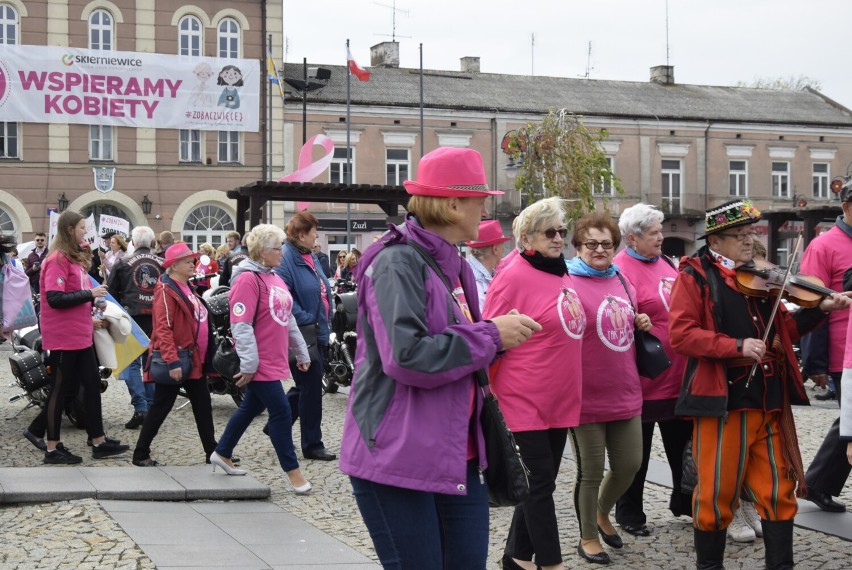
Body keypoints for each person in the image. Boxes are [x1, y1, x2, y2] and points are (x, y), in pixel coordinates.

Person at [339, 146, 541, 569]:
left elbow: (462, 348)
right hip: (397, 454)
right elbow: (407, 357)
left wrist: (499, 338)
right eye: (480, 200)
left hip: (455, 452)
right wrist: (491, 335)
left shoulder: (457, 264)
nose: (486, 209)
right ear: (453, 204)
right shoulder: (397, 262)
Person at [668, 199, 851, 569]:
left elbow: (783, 331)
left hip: (769, 398)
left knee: (778, 490)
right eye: (740, 235)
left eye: (752, 232)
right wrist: (735, 345)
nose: (750, 241)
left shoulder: (759, 278)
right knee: (717, 491)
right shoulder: (695, 275)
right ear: (716, 241)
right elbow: (681, 334)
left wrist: (820, 310)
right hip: (725, 401)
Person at [484, 197, 583, 570]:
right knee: (540, 487)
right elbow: (490, 336)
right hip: (522, 398)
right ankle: (551, 564)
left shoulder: (561, 271)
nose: (559, 238)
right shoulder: (511, 276)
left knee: (540, 482)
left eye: (562, 231)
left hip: (559, 398)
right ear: (527, 237)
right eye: (550, 232)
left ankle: (517, 558)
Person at [566, 212, 650, 565]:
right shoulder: (565, 281)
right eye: (591, 244)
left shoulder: (621, 280)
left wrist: (640, 320)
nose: (599, 250)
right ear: (578, 246)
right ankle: (588, 536)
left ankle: (602, 512)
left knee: (630, 463)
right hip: (584, 394)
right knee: (591, 471)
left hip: (625, 389)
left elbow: (626, 319)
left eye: (606, 244)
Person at [210, 224, 313, 493]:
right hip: (259, 361)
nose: (282, 252)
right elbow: (241, 324)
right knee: (280, 411)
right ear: (262, 251)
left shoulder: (274, 277)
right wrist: (249, 364)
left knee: (250, 408)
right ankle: (294, 474)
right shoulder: (247, 279)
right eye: (277, 248)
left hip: (273, 358)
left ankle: (222, 452)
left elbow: (288, 318)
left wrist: (301, 351)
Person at [612, 204, 692, 538]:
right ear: (632, 237)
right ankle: (630, 513)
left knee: (682, 447)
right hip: (644, 379)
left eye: (660, 230)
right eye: (654, 232)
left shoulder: (668, 264)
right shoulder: (619, 269)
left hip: (679, 375)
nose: (662, 237)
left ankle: (685, 501)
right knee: (637, 454)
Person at [25, 210, 129, 464]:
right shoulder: (57, 259)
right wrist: (90, 294)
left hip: (80, 334)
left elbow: (77, 295)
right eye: (82, 228)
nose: (86, 232)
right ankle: (52, 448)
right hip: (63, 337)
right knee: (60, 390)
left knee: (92, 385)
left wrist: (94, 306)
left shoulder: (72, 260)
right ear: (70, 230)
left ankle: (98, 440)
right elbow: (55, 299)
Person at [132, 242, 217, 467]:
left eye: (193, 260)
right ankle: (140, 453)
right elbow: (162, 327)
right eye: (189, 261)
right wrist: (172, 360)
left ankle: (213, 452)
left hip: (192, 357)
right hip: (179, 358)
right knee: (161, 406)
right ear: (175, 265)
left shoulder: (186, 287)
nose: (193, 264)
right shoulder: (166, 289)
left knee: (202, 404)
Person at [800, 184, 852, 512]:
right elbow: (809, 303)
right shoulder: (823, 246)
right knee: (848, 422)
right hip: (841, 352)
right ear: (847, 205)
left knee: (846, 423)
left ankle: (817, 484)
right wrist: (814, 362)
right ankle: (816, 483)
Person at [275, 212, 336, 461]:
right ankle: (312, 444)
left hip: (317, 330)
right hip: (302, 332)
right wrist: (307, 318)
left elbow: (321, 288)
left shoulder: (310, 256)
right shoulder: (287, 258)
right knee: (311, 390)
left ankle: (277, 425)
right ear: (301, 234)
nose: (317, 236)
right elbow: (283, 297)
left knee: (306, 386)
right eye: (314, 232)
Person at [106, 226, 163, 430]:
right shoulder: (162, 264)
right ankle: (149, 407)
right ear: (151, 242)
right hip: (156, 319)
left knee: (131, 364)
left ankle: (141, 408)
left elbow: (110, 293)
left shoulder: (122, 263)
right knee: (151, 363)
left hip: (131, 317)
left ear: (134, 242)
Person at [467, 219, 512, 311]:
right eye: (502, 245)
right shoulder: (473, 279)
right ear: (495, 249)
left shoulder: (490, 273)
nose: (503, 249)